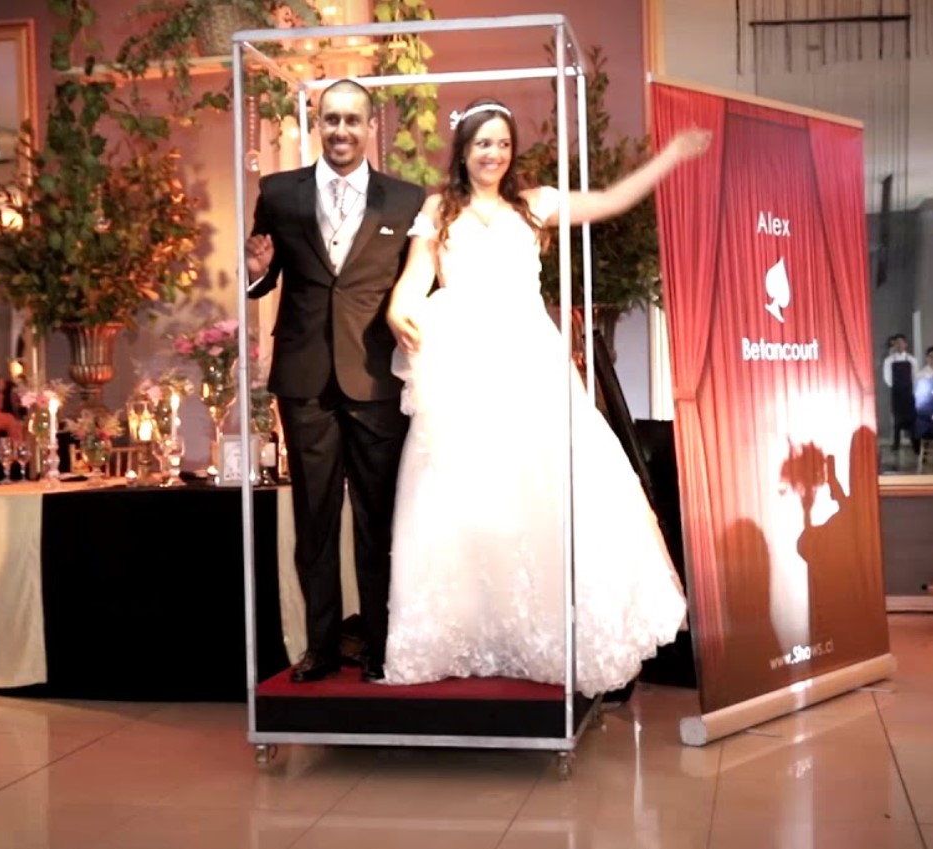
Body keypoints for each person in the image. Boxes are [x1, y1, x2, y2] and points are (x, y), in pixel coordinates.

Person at [377, 99, 703, 696]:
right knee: (467, 502)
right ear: (463, 150)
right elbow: (410, 285)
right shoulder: (438, 210)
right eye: (482, 143)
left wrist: (671, 158)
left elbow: (610, 200)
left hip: (529, 362)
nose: (493, 154)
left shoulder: (535, 205)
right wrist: (400, 312)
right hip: (463, 369)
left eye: (502, 143)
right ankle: (470, 632)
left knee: (544, 493)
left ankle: (544, 633)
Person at [244, 79, 427, 683]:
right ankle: (320, 647)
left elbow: (418, 284)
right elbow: (264, 275)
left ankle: (379, 645)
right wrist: (254, 271)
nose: (341, 130)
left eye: (352, 120)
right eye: (331, 120)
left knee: (379, 522)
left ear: (370, 126)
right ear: (317, 125)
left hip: (377, 380)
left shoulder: (406, 199)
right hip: (305, 381)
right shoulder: (279, 193)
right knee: (314, 521)